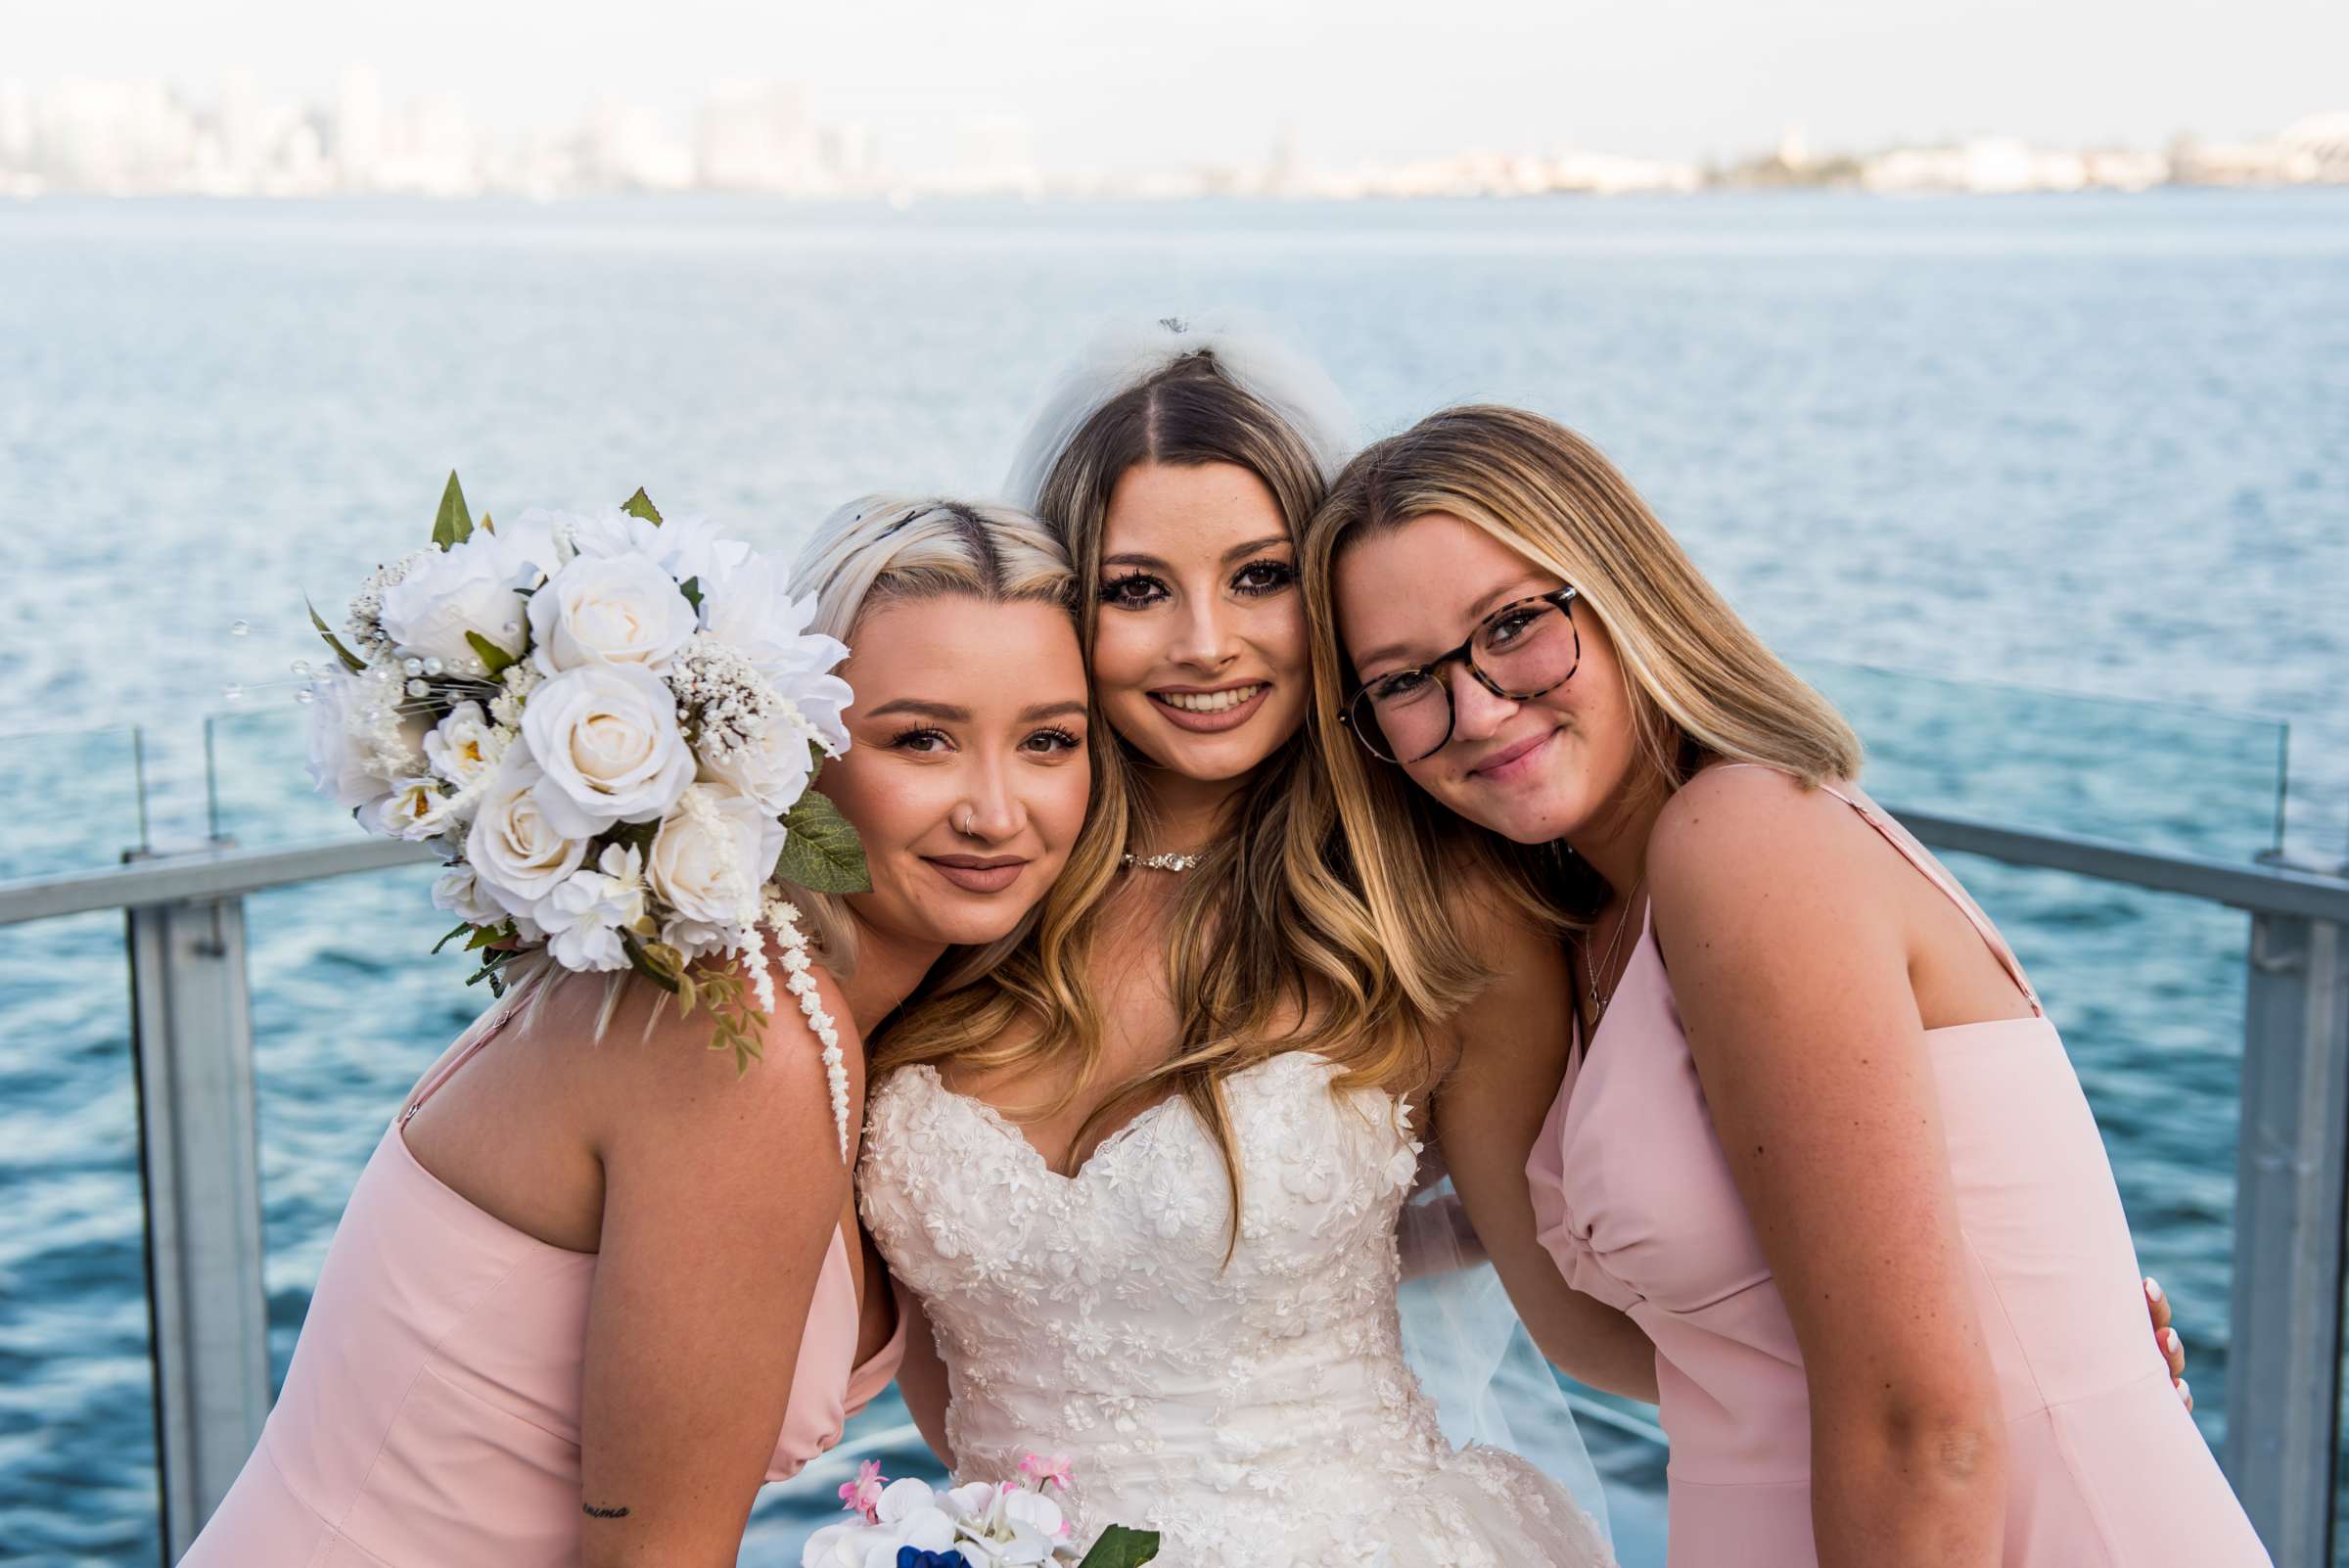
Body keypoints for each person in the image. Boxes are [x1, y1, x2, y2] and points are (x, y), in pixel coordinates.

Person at [1302, 402, 2265, 1568]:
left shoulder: (1744, 839)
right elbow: (1654, 1345)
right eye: (1405, 681)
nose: (1478, 707)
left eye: (1513, 625)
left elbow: (1927, 1438)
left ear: (1623, 589)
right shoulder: (1595, 933)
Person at [181, 497, 1098, 1568]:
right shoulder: (736, 1040)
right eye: (923, 740)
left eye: (1048, 742)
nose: (996, 810)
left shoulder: (740, 989)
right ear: (799, 751)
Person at [858, 317, 1620, 1568]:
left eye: (1259, 577)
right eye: (1138, 589)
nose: (1206, 643)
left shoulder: (1436, 915)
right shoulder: (966, 894)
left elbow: (1578, 1322)